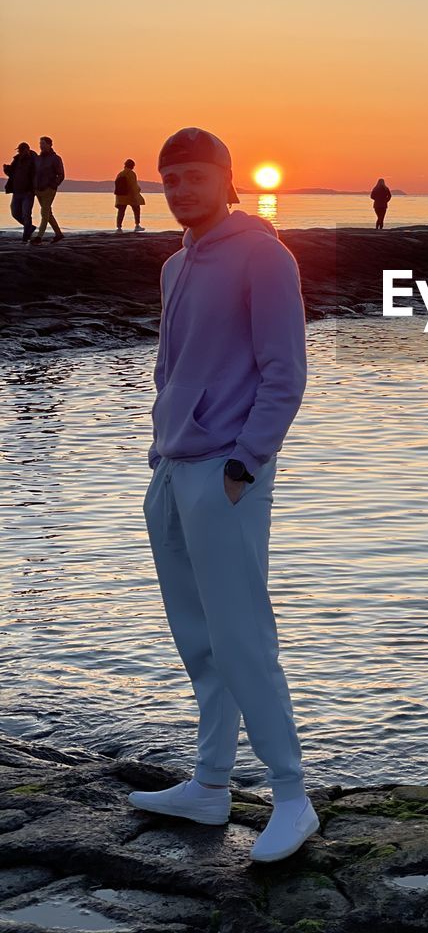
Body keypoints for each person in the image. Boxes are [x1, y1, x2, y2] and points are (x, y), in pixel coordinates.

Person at [128, 127, 318, 864]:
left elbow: (285, 372)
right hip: (173, 471)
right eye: (168, 179)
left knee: (243, 637)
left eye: (193, 176)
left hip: (227, 475)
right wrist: (159, 452)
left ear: (227, 177)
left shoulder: (264, 256)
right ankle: (210, 786)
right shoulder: (176, 266)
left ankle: (292, 795)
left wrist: (245, 464)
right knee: (200, 641)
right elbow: (168, 368)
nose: (179, 190)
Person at [30, 136, 65, 243]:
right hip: (38, 189)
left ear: (50, 145)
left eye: (43, 144)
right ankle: (59, 234)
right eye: (40, 144)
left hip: (49, 190)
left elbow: (61, 175)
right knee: (48, 213)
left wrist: (53, 185)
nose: (41, 146)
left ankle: (39, 237)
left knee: (44, 213)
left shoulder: (55, 158)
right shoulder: (37, 158)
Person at [3, 142, 37, 242]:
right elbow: (12, 173)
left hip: (28, 192)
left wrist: (34, 188)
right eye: (19, 150)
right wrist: (6, 169)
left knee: (26, 214)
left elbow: (37, 174)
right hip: (16, 192)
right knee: (15, 213)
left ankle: (25, 237)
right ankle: (29, 228)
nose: (20, 152)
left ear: (27, 149)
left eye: (22, 150)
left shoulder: (33, 159)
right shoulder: (17, 159)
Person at [114, 158, 146, 233]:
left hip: (120, 195)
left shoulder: (120, 173)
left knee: (121, 211)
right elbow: (133, 186)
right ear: (132, 166)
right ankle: (137, 225)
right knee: (136, 209)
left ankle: (119, 228)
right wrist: (138, 191)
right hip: (130, 195)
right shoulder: (131, 173)